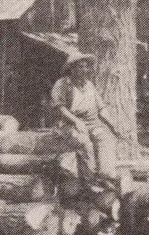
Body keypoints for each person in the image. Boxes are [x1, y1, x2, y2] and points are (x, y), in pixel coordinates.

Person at [50, 54, 123, 183]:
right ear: (71, 69)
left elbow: (101, 108)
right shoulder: (62, 84)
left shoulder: (89, 85)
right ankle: (90, 181)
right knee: (85, 143)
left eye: (86, 67)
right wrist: (76, 121)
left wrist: (113, 125)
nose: (84, 70)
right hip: (68, 124)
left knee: (105, 138)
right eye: (80, 67)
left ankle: (106, 176)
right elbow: (59, 108)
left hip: (92, 124)